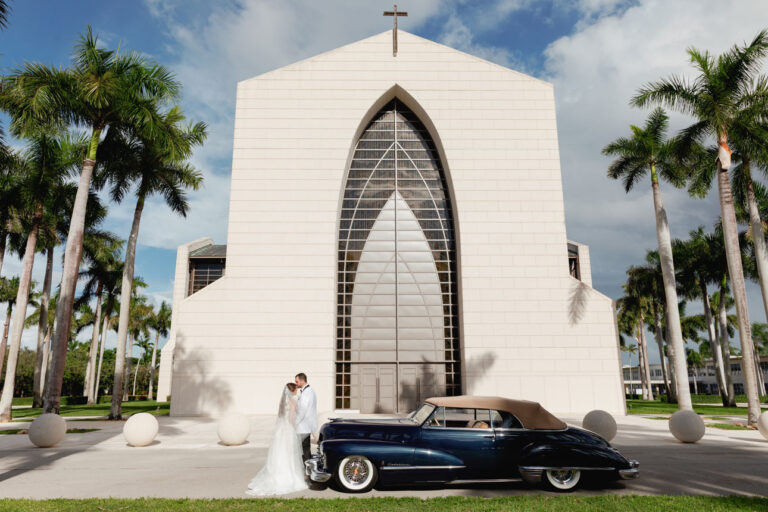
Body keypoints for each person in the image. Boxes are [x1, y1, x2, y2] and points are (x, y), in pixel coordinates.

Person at [246, 383, 308, 496]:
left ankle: (275, 475)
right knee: (290, 454)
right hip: (289, 430)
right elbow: (291, 418)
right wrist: (296, 426)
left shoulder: (283, 403)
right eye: (295, 389)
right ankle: (289, 477)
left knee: (280, 453)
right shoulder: (292, 400)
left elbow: (282, 416)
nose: (297, 391)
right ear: (292, 391)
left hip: (281, 432)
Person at [294, 372, 317, 462]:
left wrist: (295, 422)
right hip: (307, 425)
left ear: (302, 381)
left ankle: (307, 472)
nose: (296, 384)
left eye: (297, 382)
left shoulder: (307, 393)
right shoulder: (311, 390)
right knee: (306, 449)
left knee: (304, 450)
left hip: (303, 426)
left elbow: (302, 411)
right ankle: (308, 469)